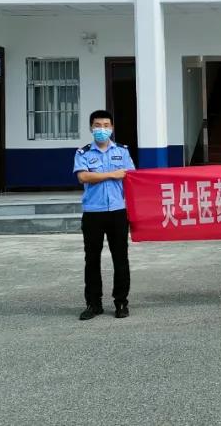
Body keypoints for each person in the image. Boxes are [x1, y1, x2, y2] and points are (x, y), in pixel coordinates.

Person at [73, 110, 135, 321]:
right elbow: (83, 177)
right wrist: (112, 174)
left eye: (106, 125)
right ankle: (93, 304)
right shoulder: (83, 153)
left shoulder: (122, 152)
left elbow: (131, 177)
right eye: (98, 125)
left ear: (112, 128)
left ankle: (121, 302)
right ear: (91, 128)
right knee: (92, 259)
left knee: (121, 258)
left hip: (118, 211)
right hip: (93, 213)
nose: (102, 129)